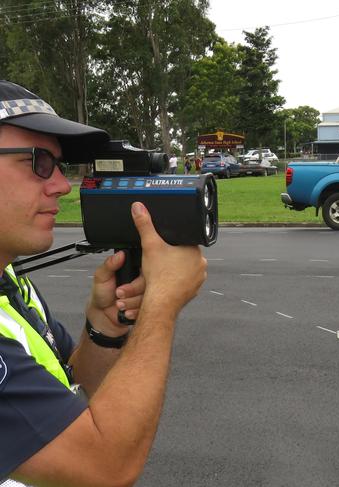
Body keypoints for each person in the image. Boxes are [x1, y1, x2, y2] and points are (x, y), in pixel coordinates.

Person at [0, 80, 207, 487]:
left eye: (59, 166)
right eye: (39, 162)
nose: (60, 184)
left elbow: (66, 390)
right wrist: (162, 304)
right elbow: (104, 467)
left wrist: (105, 330)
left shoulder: (9, 280)